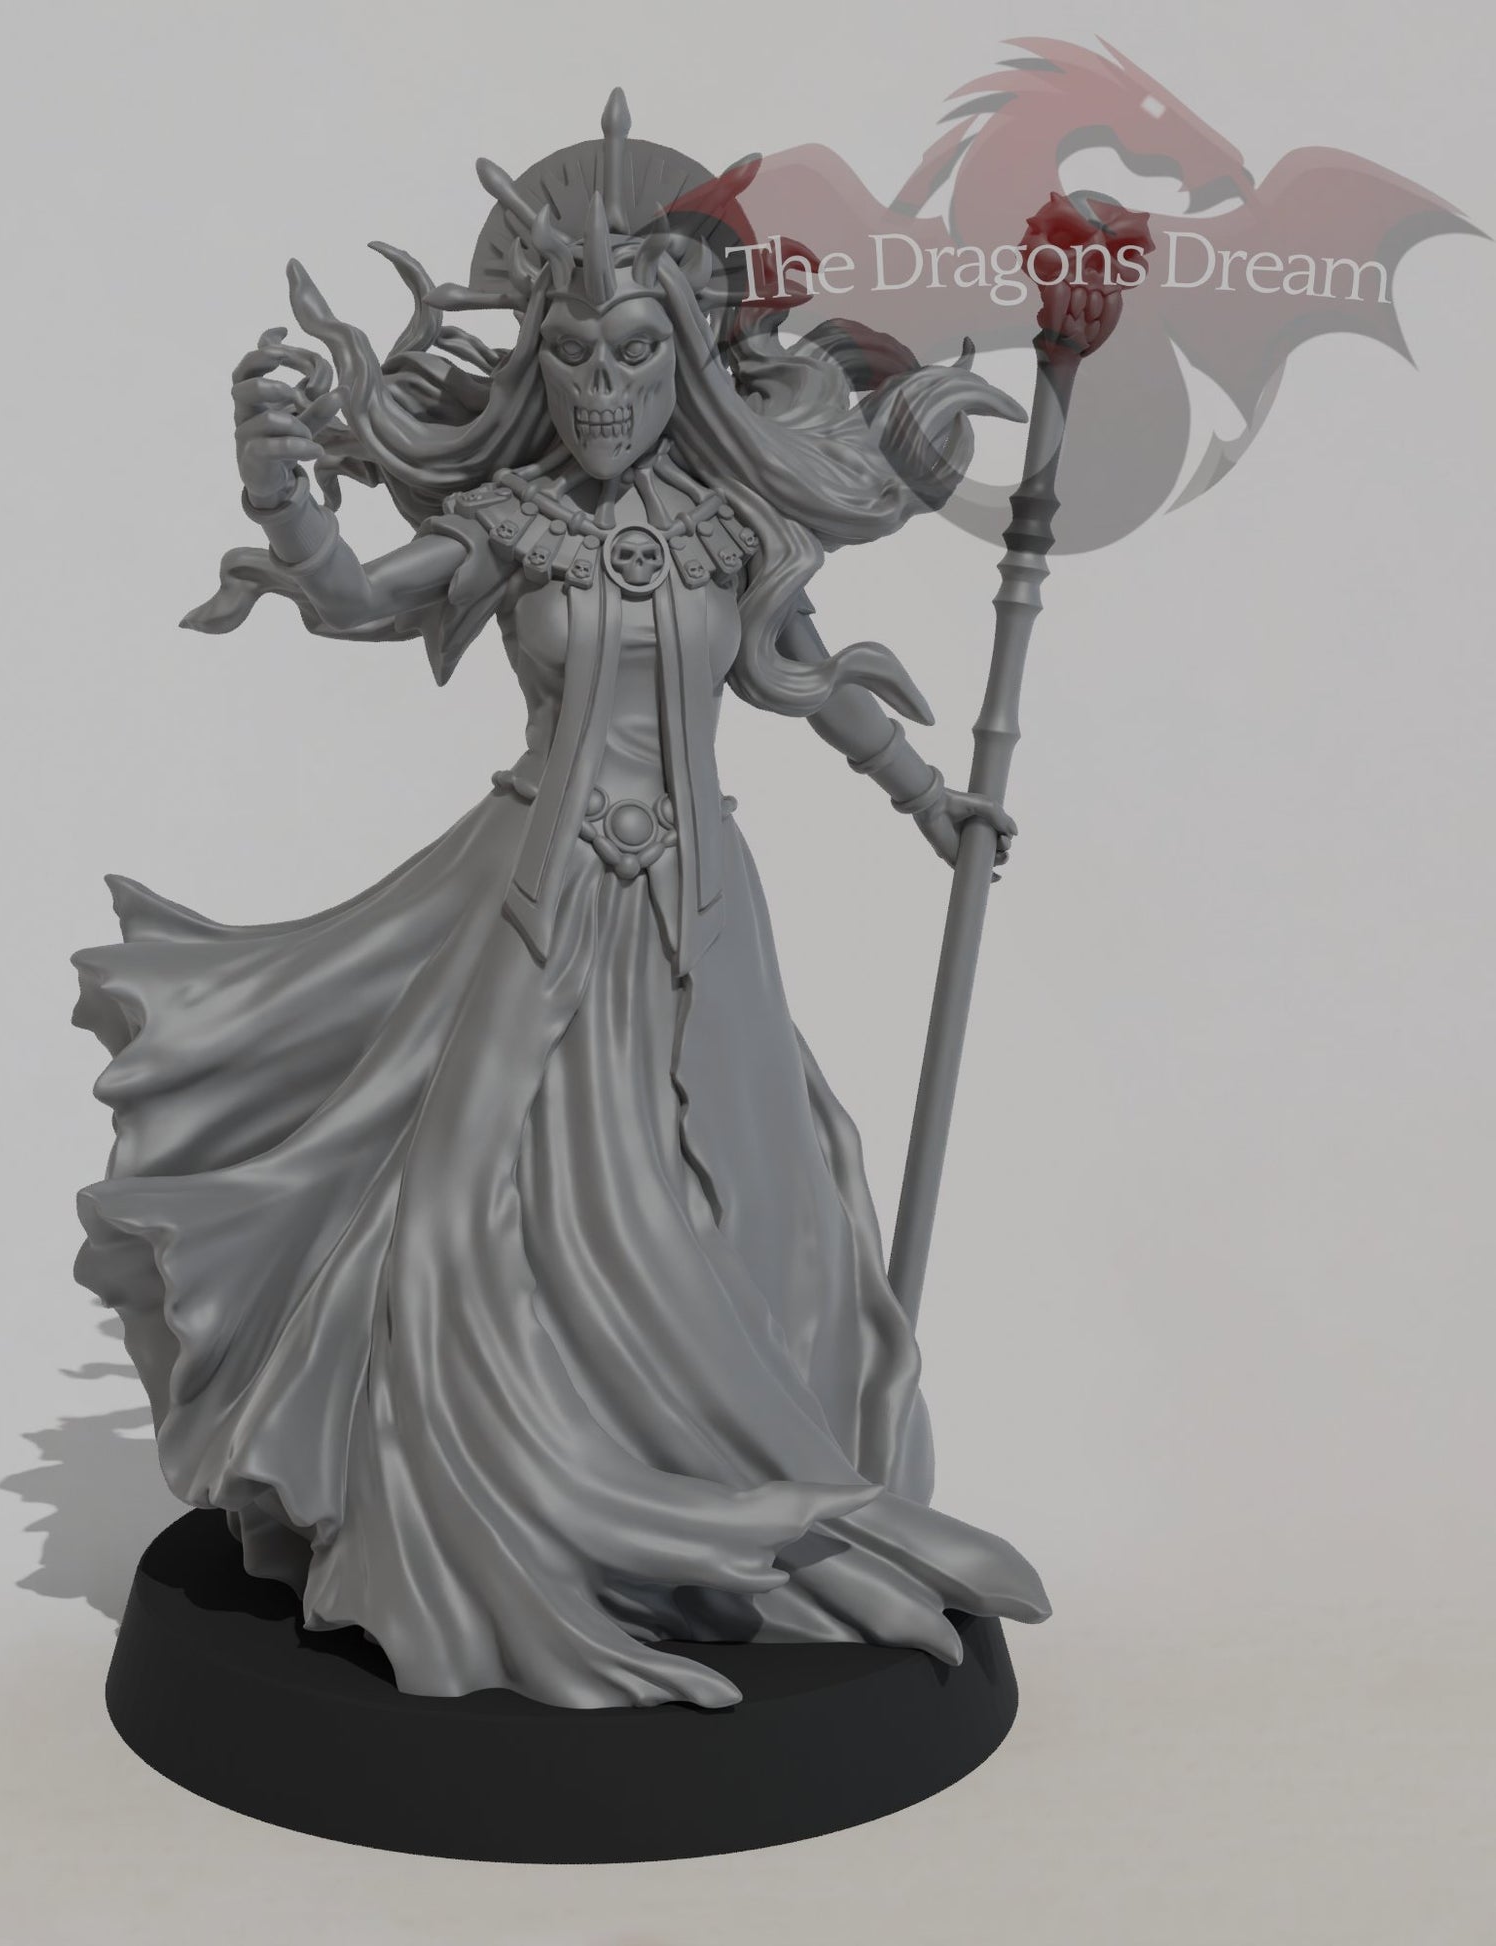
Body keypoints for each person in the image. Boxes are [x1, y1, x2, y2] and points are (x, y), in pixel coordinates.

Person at [72, 92, 1049, 1709]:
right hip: (531, 906)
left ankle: (726, 1504)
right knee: (455, 1220)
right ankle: (476, 1523)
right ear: (536, 358)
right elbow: (347, 601)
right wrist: (279, 494)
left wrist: (926, 796)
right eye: (574, 353)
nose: (602, 388)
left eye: (636, 353)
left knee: (758, 1205)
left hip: (698, 916)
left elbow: (809, 684)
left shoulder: (732, 529)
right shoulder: (514, 525)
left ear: (691, 361)